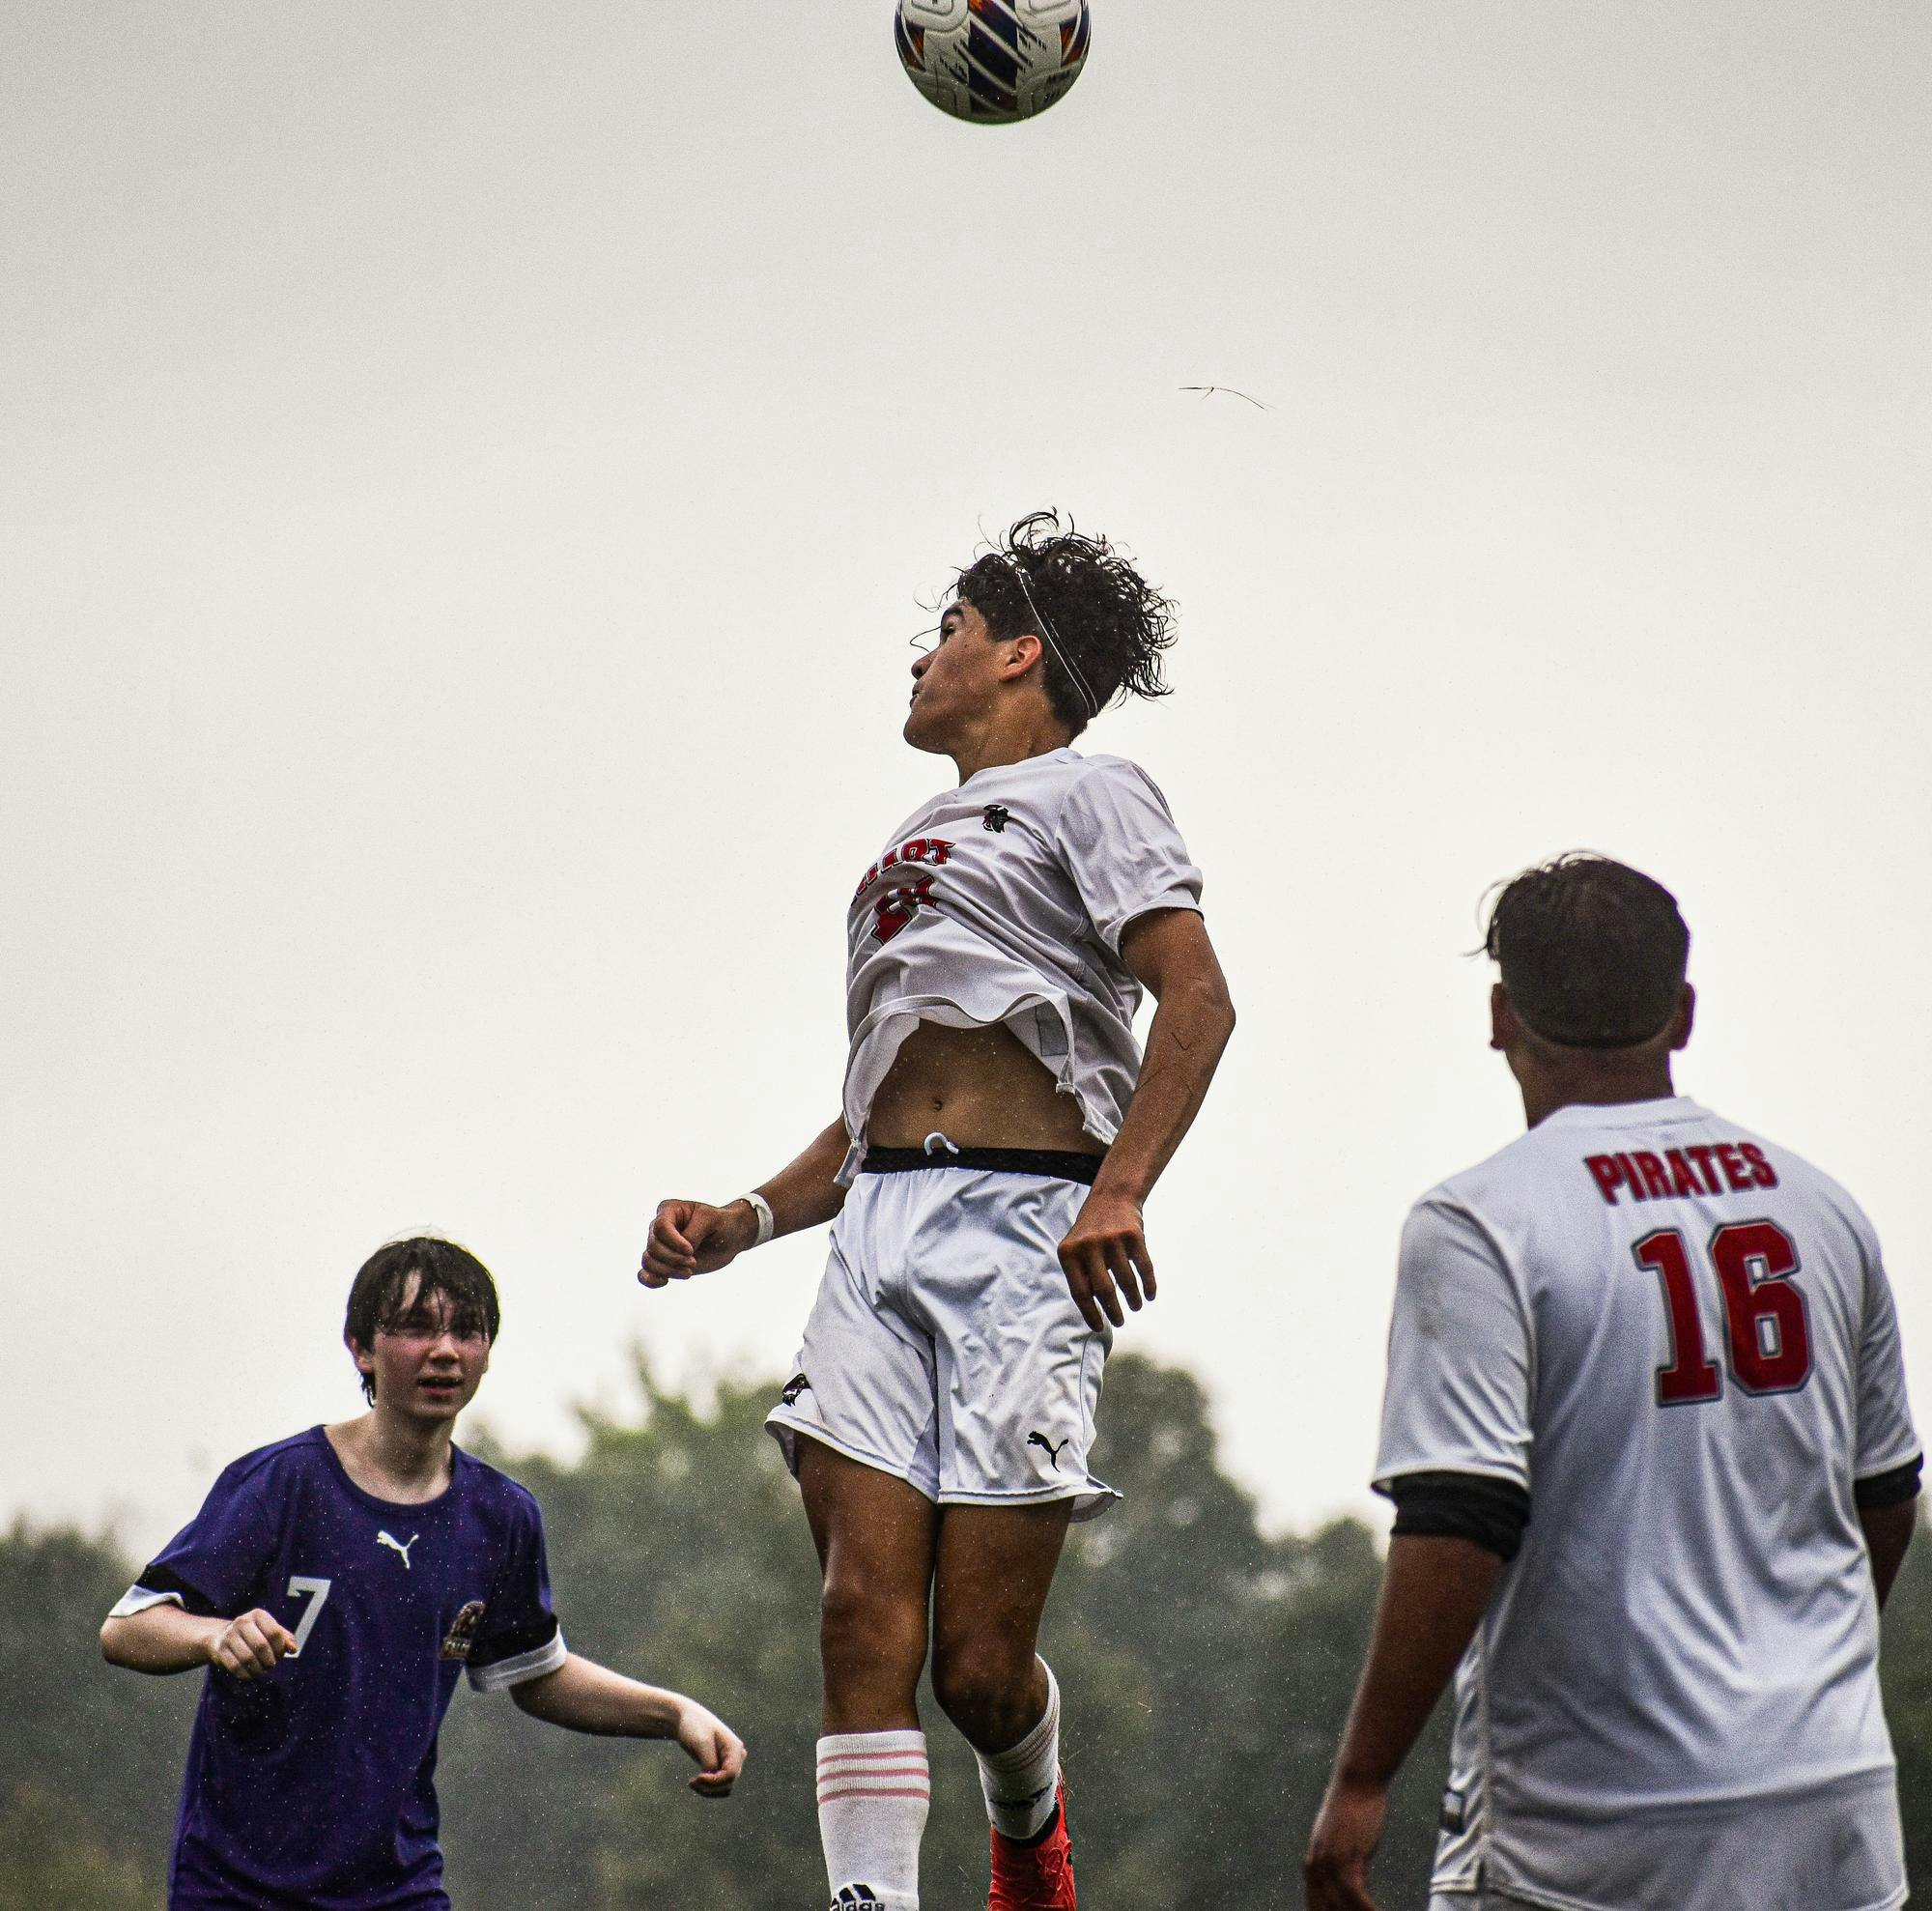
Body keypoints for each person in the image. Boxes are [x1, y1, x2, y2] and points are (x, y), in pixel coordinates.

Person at [640, 512, 1236, 1911]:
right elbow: (877, 1103)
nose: (925, 656)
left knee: (976, 1663)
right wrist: (743, 1215)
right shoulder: (906, 836)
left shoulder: (1094, 793)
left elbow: (1200, 1000)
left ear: (1018, 650)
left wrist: (1123, 1185)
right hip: (876, 1236)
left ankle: (1029, 1819)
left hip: (1024, 1238)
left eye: (951, 631)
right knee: (857, 1611)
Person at [1304, 854, 1920, 1911]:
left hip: (1594, 1815)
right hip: (1827, 1795)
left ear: (1500, 1015)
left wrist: (1359, 1782)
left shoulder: (1478, 1221)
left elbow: (1459, 1515)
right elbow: (1883, 1496)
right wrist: (1789, 1683)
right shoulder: (1821, 1206)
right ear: (1680, 1012)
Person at [100, 1236, 747, 1910]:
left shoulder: (500, 1517)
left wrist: (673, 1714)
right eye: (415, 1328)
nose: (444, 1351)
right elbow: (127, 1630)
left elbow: (535, 1672)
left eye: (466, 1331)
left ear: (487, 1353)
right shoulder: (282, 1484)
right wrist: (213, 1637)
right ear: (360, 1347)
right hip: (236, 1887)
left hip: (396, 1889)